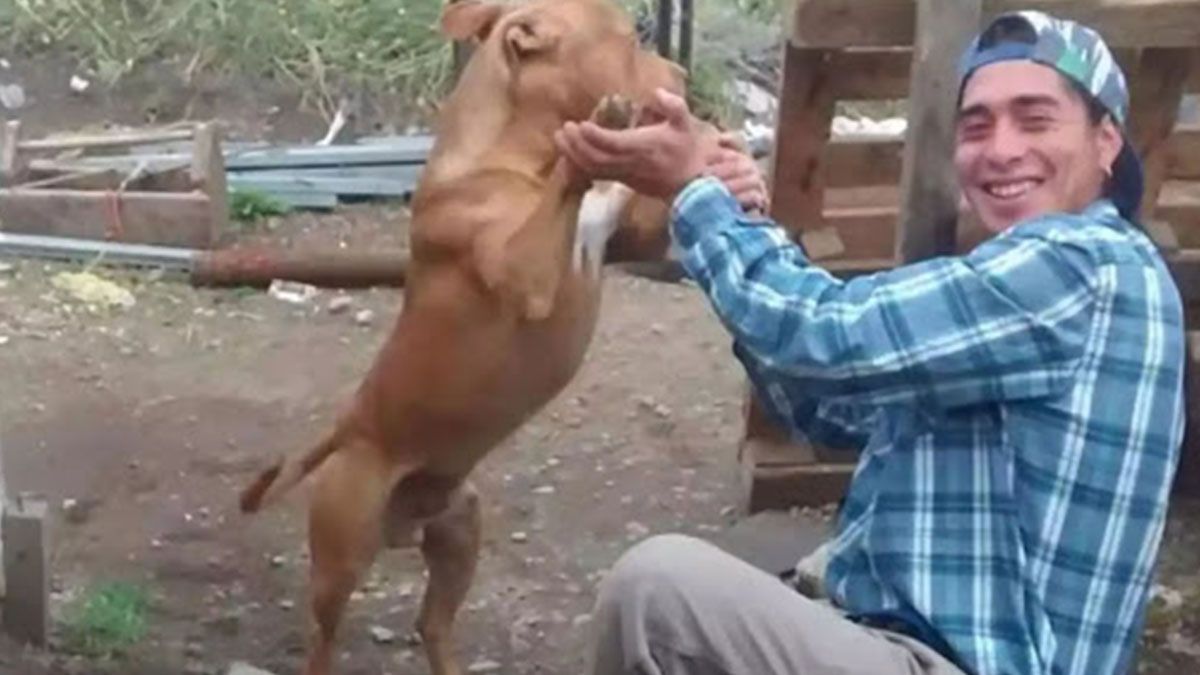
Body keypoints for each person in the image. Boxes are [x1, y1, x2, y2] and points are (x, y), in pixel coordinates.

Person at [556, 11, 1185, 675]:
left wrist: (695, 191)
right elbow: (827, 409)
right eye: (977, 125)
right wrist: (742, 215)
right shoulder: (1036, 286)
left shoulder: (1084, 264)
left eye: (1034, 119)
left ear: (1107, 140)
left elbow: (824, 336)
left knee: (657, 593)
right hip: (897, 640)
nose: (1000, 149)